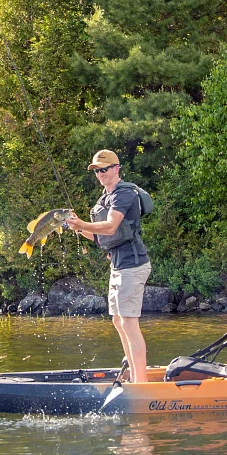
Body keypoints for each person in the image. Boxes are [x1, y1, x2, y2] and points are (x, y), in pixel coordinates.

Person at [67, 150, 151, 383]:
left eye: (104, 169)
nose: (101, 174)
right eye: (97, 170)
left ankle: (140, 383)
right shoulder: (104, 200)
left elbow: (111, 226)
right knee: (117, 320)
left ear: (116, 169)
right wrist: (77, 227)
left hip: (133, 265)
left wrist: (83, 223)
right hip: (118, 266)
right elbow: (98, 237)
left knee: (128, 322)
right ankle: (134, 375)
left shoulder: (124, 195)